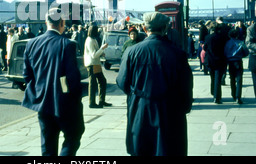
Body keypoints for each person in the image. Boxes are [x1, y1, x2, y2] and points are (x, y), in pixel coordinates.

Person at [116, 12, 193, 156]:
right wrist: (184, 107)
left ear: (145, 29)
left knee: (141, 149)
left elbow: (122, 82)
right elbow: (186, 87)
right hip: (170, 110)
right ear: (165, 28)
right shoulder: (178, 54)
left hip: (140, 108)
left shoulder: (131, 52)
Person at [22, 8, 85, 156]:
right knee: (73, 136)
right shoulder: (67, 44)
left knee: (48, 145)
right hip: (64, 103)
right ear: (62, 22)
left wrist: (38, 92)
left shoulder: (31, 43)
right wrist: (76, 98)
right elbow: (73, 78)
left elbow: (27, 75)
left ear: (46, 23)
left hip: (42, 103)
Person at [84, 24, 111, 109]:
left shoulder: (93, 39)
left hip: (96, 64)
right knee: (93, 83)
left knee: (102, 81)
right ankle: (92, 102)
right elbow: (94, 55)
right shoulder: (90, 40)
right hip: (92, 64)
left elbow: (96, 53)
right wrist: (102, 48)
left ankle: (101, 100)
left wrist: (101, 52)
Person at [203, 23, 229, 104]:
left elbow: (204, 48)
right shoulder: (223, 38)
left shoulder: (208, 37)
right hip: (220, 60)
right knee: (218, 79)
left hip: (210, 60)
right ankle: (217, 97)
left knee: (212, 77)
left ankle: (213, 92)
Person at [224, 28, 249, 104]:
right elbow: (246, 52)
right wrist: (241, 55)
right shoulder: (241, 43)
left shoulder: (227, 43)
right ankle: (238, 97)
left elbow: (224, 52)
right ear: (237, 35)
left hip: (230, 62)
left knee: (232, 79)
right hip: (238, 61)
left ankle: (233, 95)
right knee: (239, 80)